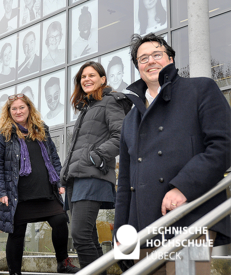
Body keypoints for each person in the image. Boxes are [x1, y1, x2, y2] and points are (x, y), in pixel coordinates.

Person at [113, 33, 231, 275]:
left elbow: (223, 144)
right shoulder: (129, 121)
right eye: (143, 58)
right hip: (144, 229)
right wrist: (120, 234)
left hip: (190, 221)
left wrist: (183, 187)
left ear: (171, 59)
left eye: (157, 54)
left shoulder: (201, 89)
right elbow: (125, 183)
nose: (150, 61)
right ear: (138, 67)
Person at [0, 93, 80, 274]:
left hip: (45, 190)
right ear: (8, 112)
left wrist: (60, 180)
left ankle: (62, 262)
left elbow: (53, 157)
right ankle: (14, 271)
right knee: (17, 234)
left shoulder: (41, 129)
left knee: (60, 219)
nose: (18, 111)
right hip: (18, 194)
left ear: (29, 108)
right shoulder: (3, 134)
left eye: (21, 107)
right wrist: (0, 192)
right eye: (14, 109)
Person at [60, 61, 130, 270]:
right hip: (77, 177)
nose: (87, 79)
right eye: (83, 77)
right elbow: (77, 146)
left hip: (93, 175)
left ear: (103, 79)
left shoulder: (110, 101)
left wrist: (97, 156)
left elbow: (122, 136)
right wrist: (65, 174)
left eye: (92, 75)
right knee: (87, 235)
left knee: (80, 234)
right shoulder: (86, 107)